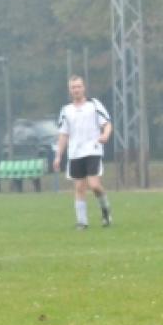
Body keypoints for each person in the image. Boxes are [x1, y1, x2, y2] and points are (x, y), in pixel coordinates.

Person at [53, 75, 113, 229]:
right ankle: (82, 221)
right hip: (75, 153)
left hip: (93, 150)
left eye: (79, 86)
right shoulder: (66, 111)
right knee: (79, 188)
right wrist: (58, 156)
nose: (76, 90)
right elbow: (63, 134)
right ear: (70, 90)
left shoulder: (94, 105)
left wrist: (105, 135)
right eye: (73, 87)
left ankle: (106, 210)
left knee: (94, 185)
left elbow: (107, 124)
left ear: (84, 88)